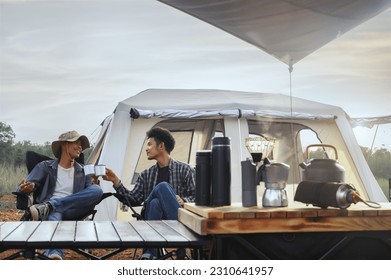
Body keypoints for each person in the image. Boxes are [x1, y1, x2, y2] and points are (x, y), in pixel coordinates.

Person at [103, 127, 195, 259]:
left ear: (161, 146)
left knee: (156, 201)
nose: (146, 148)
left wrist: (184, 200)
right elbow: (133, 199)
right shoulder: (146, 174)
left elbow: (196, 197)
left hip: (176, 220)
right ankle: (181, 244)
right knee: (158, 195)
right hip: (152, 220)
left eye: (150, 144)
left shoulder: (185, 170)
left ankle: (150, 253)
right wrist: (115, 181)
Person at [17, 130, 103, 260]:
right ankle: (54, 254)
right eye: (76, 142)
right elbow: (24, 186)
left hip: (74, 210)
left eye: (81, 144)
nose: (80, 147)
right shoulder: (45, 167)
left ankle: (50, 206)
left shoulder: (83, 170)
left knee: (97, 190)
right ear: (64, 144)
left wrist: (94, 183)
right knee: (55, 213)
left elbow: (93, 193)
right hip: (53, 213)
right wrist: (27, 188)